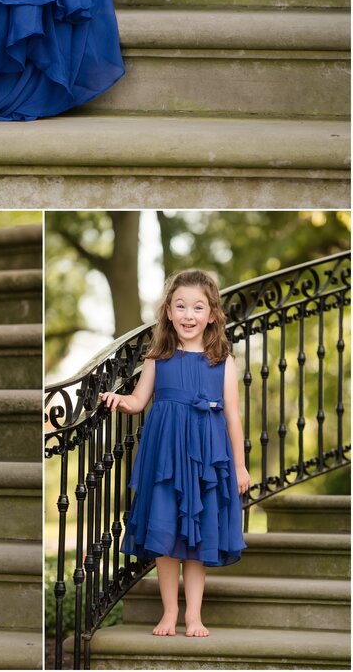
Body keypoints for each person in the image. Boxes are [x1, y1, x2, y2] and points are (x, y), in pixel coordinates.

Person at [99, 269, 250, 638]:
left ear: (212, 314)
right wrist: (121, 400)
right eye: (180, 306)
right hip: (166, 459)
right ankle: (169, 612)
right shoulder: (158, 356)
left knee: (197, 542)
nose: (188, 315)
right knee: (166, 537)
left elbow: (232, 416)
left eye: (198, 307)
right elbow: (138, 401)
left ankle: (194, 616)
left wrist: (241, 467)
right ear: (168, 311)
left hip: (206, 459)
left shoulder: (223, 361)